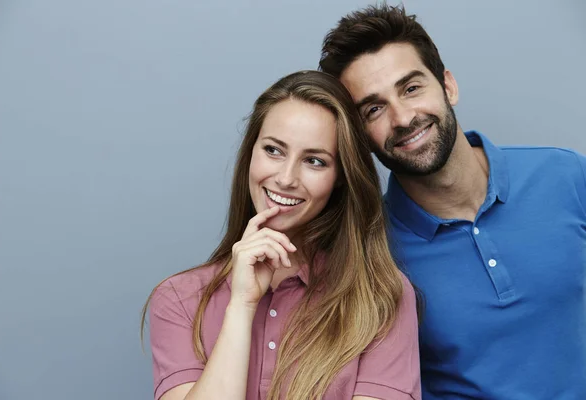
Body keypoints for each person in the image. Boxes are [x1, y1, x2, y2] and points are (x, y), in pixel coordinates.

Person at [319, 4, 586, 400]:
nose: (403, 117)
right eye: (374, 109)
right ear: (359, 136)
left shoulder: (567, 175)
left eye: (411, 88)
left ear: (448, 86)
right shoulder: (369, 252)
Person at [141, 70, 421, 400]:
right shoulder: (179, 299)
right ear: (250, 153)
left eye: (315, 161)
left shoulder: (380, 298)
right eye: (274, 150)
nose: (286, 178)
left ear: (341, 178)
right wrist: (242, 306)